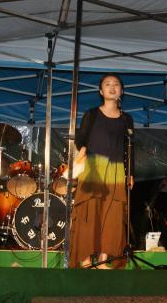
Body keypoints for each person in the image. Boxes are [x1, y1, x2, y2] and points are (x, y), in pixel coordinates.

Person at [70, 73, 134, 269]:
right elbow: (81, 139)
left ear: (121, 91)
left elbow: (130, 148)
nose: (112, 87)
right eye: (107, 84)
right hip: (94, 167)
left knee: (113, 215)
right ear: (101, 91)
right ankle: (87, 258)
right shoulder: (92, 114)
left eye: (116, 84)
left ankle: (104, 258)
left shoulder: (127, 119)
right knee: (90, 213)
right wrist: (81, 152)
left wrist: (130, 172)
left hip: (116, 170)